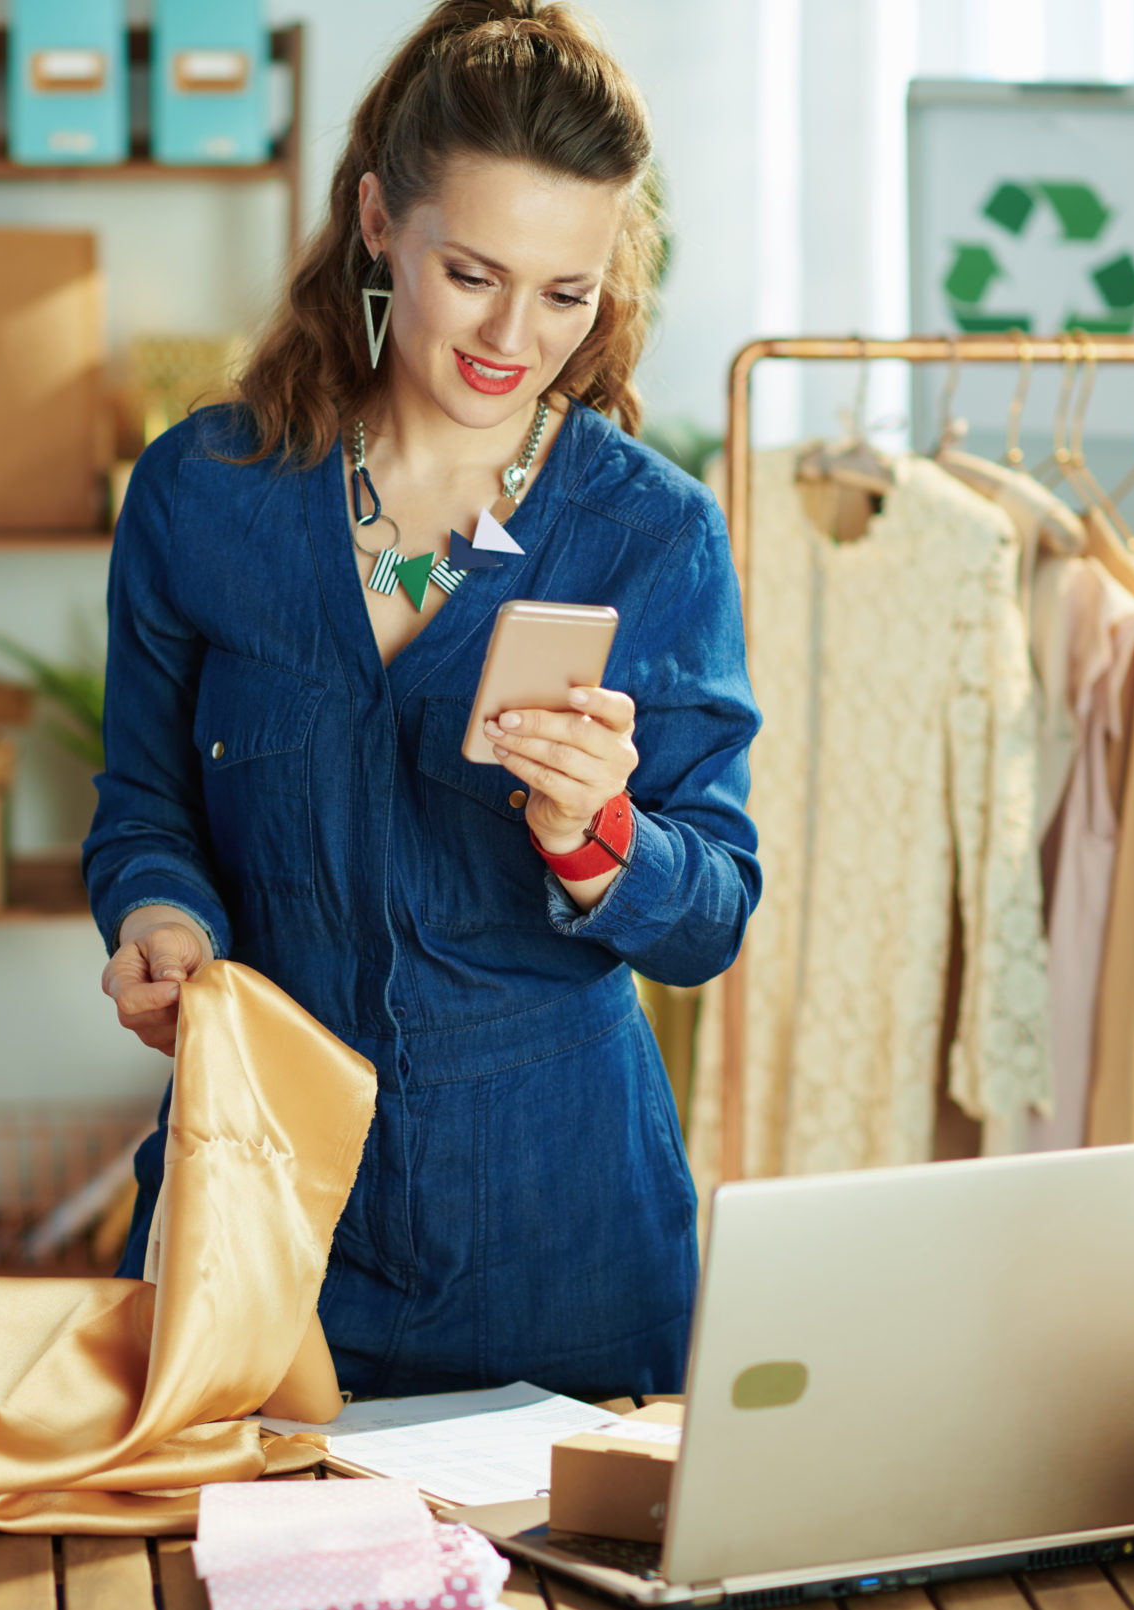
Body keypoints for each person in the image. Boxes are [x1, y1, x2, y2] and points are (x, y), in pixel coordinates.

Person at [82, 0, 759, 1400]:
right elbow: (145, 804)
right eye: (474, 272)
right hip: (258, 1221)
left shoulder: (652, 536)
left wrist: (597, 836)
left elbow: (712, 917)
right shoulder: (203, 496)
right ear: (382, 220)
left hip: (567, 1245)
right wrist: (159, 917)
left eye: (567, 294)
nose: (517, 336)